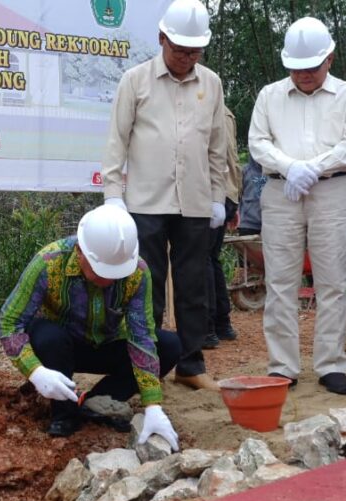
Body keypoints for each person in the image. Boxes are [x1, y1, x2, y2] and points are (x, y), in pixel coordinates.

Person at [101, 0, 231, 391]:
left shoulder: (211, 84)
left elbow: (216, 147)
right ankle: (148, 364)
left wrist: (217, 197)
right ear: (161, 39)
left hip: (193, 202)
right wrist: (113, 193)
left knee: (194, 285)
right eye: (180, 49)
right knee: (147, 286)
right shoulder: (135, 81)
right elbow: (116, 141)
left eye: (194, 51)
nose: (187, 57)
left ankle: (191, 364)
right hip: (145, 202)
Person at [0, 205, 182, 449]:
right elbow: (9, 322)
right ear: (80, 251)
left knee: (168, 346)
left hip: (106, 342)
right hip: (60, 348)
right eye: (100, 272)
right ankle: (64, 414)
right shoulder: (48, 263)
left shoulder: (137, 272)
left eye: (115, 274)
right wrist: (35, 371)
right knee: (49, 337)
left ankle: (95, 403)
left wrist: (153, 405)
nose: (108, 280)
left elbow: (142, 338)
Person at [248, 17, 346, 395]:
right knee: (280, 281)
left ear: (329, 59)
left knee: (332, 279)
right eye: (296, 69)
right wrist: (290, 167)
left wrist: (313, 168)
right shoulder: (270, 95)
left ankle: (331, 363)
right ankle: (283, 365)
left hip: (331, 190)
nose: (303, 75)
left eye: (311, 68)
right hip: (281, 191)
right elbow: (258, 142)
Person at [204, 107, 244, 348]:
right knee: (212, 258)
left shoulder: (205, 109)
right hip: (226, 194)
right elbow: (234, 158)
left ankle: (207, 329)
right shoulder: (228, 113)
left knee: (201, 260)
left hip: (209, 194)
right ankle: (222, 323)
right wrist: (235, 199)